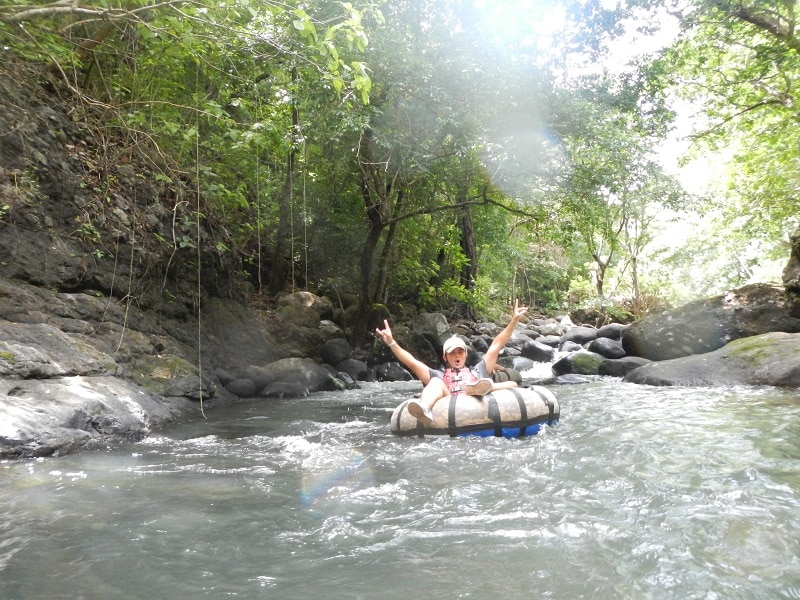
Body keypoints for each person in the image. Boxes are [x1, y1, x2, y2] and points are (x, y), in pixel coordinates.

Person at [374, 299, 529, 424]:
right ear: (445, 357)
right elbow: (412, 362)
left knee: (512, 384)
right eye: (452, 353)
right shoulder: (438, 375)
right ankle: (424, 408)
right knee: (435, 383)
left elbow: (496, 345)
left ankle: (478, 390)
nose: (457, 356)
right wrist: (391, 343)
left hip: (478, 399)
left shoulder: (478, 370)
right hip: (450, 404)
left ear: (465, 354)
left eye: (460, 352)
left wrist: (514, 321)